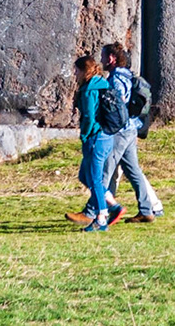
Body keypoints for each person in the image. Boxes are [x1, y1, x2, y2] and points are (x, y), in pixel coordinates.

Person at [98, 41, 163, 222]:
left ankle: (96, 211)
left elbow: (117, 105)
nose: (101, 60)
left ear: (111, 59)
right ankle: (146, 210)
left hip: (120, 131)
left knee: (105, 170)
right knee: (133, 171)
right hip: (131, 129)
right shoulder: (128, 76)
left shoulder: (116, 79)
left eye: (103, 56)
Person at [67, 55, 123, 231]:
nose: (74, 73)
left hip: (96, 137)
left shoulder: (89, 89)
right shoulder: (103, 83)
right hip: (107, 136)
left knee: (96, 179)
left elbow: (90, 116)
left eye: (77, 70)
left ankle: (101, 218)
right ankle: (112, 205)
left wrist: (85, 134)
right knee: (86, 176)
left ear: (84, 70)